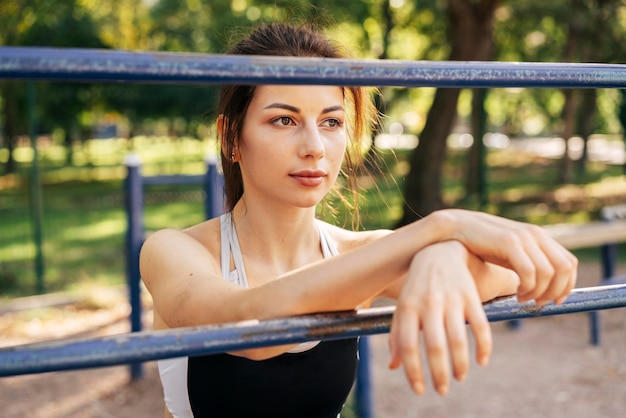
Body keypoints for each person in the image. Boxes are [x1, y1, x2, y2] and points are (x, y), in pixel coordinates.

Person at [139, 22, 578, 418]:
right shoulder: (175, 251)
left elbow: (522, 273)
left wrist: (442, 254)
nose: (314, 146)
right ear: (230, 135)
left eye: (331, 122)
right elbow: (249, 327)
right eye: (284, 119)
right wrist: (438, 228)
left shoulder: (358, 255)